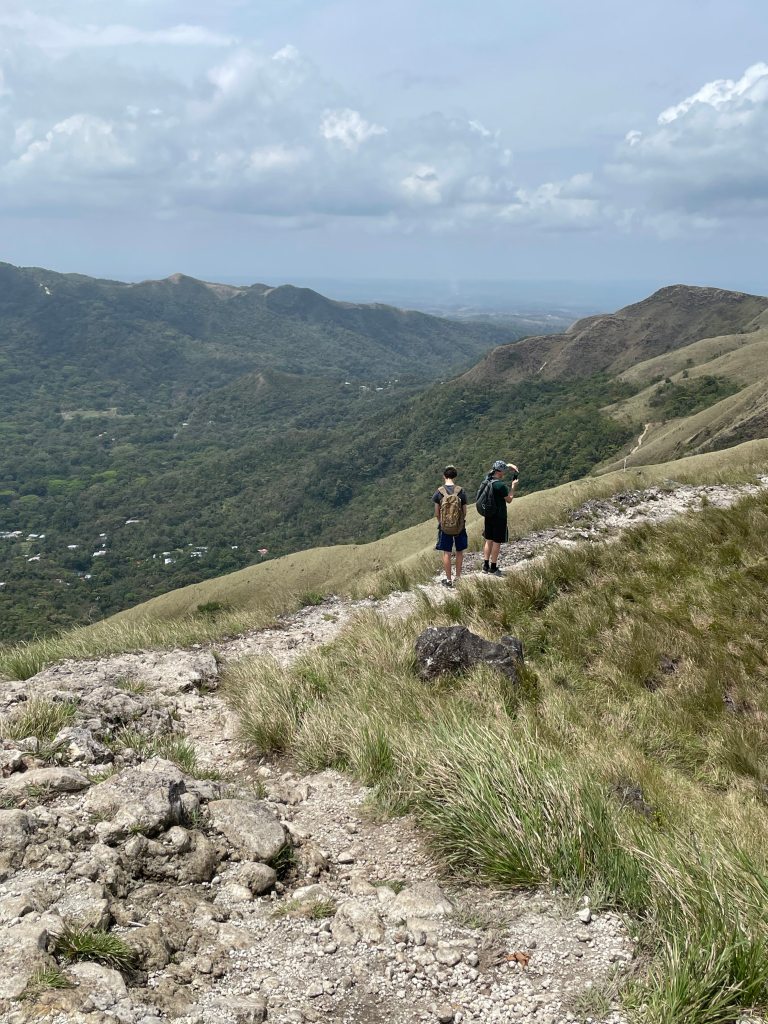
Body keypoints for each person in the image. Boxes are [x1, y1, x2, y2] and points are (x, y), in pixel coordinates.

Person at [432, 465, 468, 587]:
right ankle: (458, 577)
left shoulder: (439, 492)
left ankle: (448, 580)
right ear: (455, 476)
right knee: (459, 551)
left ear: (444, 476)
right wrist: (460, 522)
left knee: (446, 552)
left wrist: (442, 523)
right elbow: (465, 511)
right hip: (459, 527)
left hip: (445, 528)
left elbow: (436, 513)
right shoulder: (460, 491)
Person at [482, 459, 518, 575]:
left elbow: (499, 467)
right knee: (497, 542)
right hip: (499, 517)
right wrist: (513, 487)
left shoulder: (487, 481)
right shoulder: (500, 486)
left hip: (489, 515)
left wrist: (509, 466)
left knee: (488, 540)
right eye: (503, 472)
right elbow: (509, 500)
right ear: (500, 472)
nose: (504, 474)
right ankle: (493, 567)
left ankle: (485, 566)